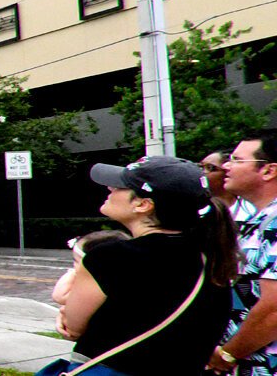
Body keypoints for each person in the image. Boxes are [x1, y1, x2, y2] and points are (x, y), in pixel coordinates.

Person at [54, 156, 236, 375]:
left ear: (143, 204)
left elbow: (72, 327)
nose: (110, 188)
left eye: (121, 185)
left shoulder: (108, 258)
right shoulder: (213, 258)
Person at [208, 132, 277, 375]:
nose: (226, 166)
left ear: (268, 171)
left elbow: (274, 307)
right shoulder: (260, 220)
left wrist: (229, 353)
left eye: (237, 160)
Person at [51, 230, 129, 305]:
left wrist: (71, 274)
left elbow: (59, 296)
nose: (74, 265)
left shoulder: (95, 286)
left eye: (76, 261)